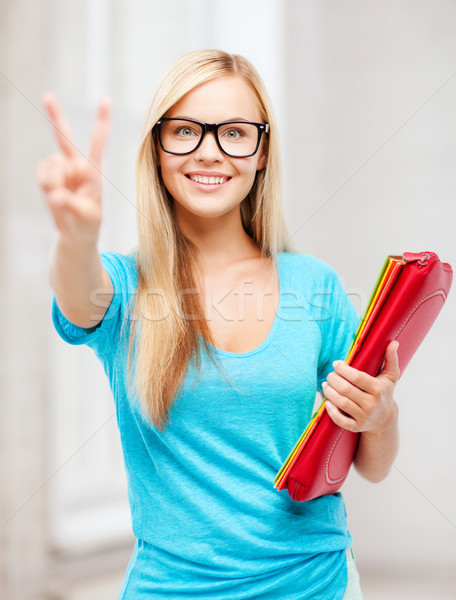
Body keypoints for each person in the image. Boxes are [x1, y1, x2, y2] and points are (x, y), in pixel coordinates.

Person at [37, 49, 400, 600]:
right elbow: (78, 293)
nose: (209, 152)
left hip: (316, 584)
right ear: (157, 149)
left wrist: (381, 415)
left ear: (261, 152)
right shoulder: (124, 285)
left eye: (234, 133)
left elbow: (370, 466)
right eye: (185, 130)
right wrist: (78, 236)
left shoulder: (315, 287)